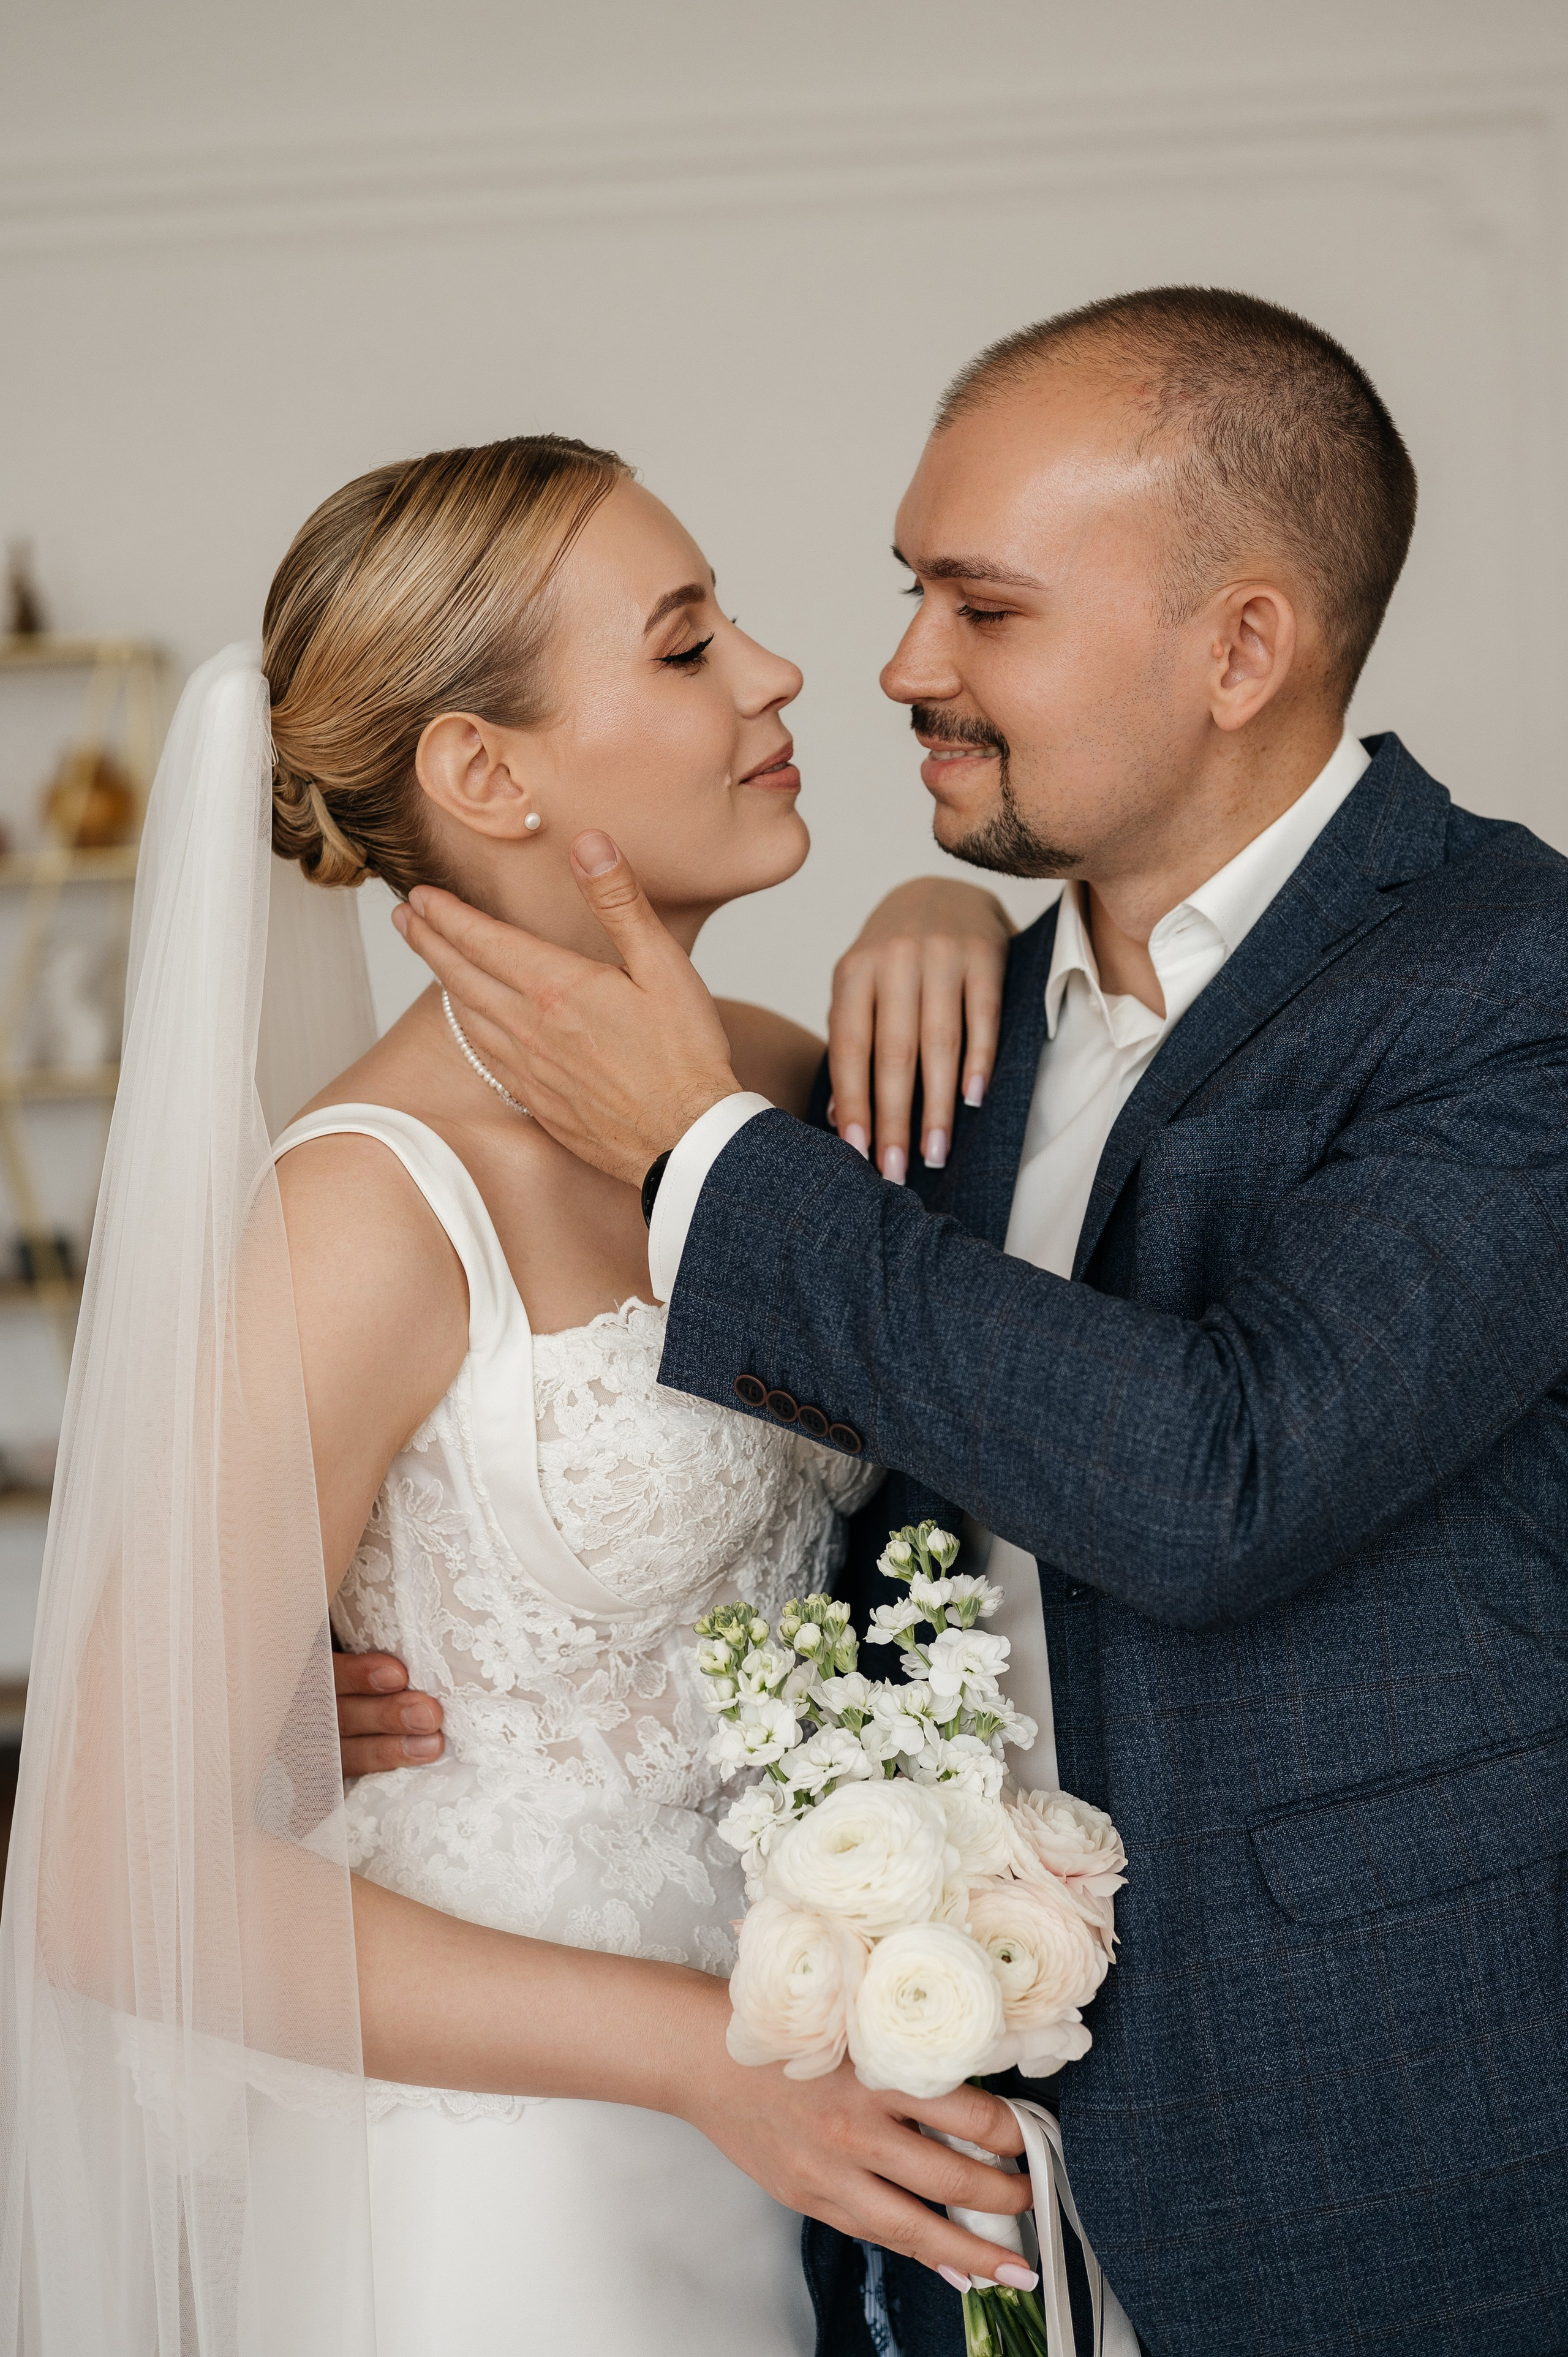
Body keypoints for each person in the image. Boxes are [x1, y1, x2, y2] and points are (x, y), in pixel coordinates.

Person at [389, 290, 1568, 2357]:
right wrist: (408, 1675)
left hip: (1389, 2162)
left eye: (984, 609)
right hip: (930, 2202)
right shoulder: (935, 1033)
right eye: (910, 591)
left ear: (1241, 649)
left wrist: (700, 1149)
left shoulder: (1511, 974)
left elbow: (1223, 1476)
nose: (901, 666)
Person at [0, 436, 1048, 2356]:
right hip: (505, 2195)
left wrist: (948, 917)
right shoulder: (369, 1211)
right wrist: (695, 2061)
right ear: (486, 774)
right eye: (684, 646)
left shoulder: (770, 1086)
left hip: (799, 2161)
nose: (775, 674)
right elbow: (100, 1880)